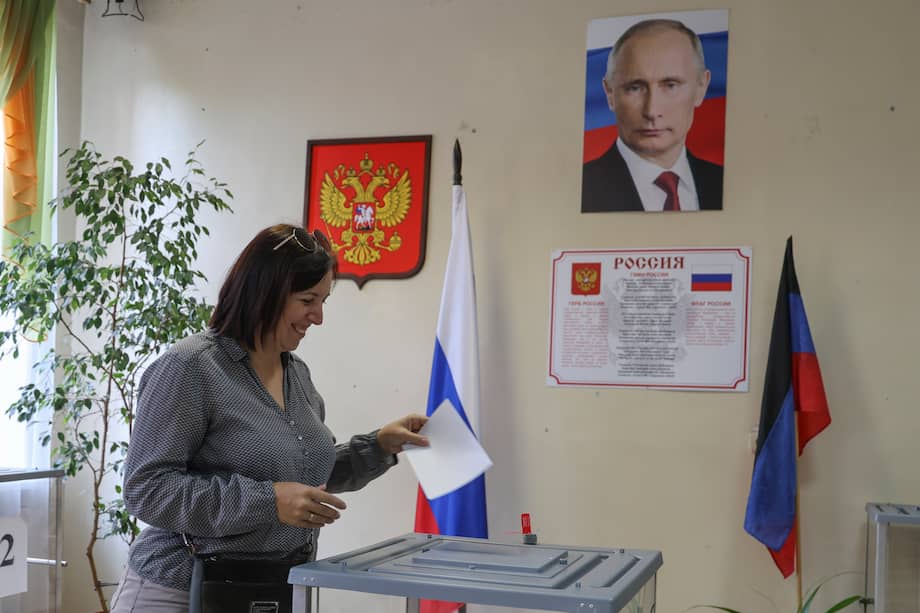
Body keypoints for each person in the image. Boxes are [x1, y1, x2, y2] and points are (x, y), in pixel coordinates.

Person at [109, 223, 429, 612]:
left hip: (267, 592)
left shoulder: (298, 373)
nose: (318, 317)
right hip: (177, 591)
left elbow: (304, 480)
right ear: (264, 293)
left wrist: (379, 446)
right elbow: (147, 489)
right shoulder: (188, 368)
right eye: (308, 299)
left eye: (324, 301)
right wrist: (266, 501)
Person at [581, 19, 724, 212]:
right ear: (610, 93)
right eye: (635, 88)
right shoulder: (583, 187)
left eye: (670, 85)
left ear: (701, 87)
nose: (652, 111)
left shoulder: (724, 183)